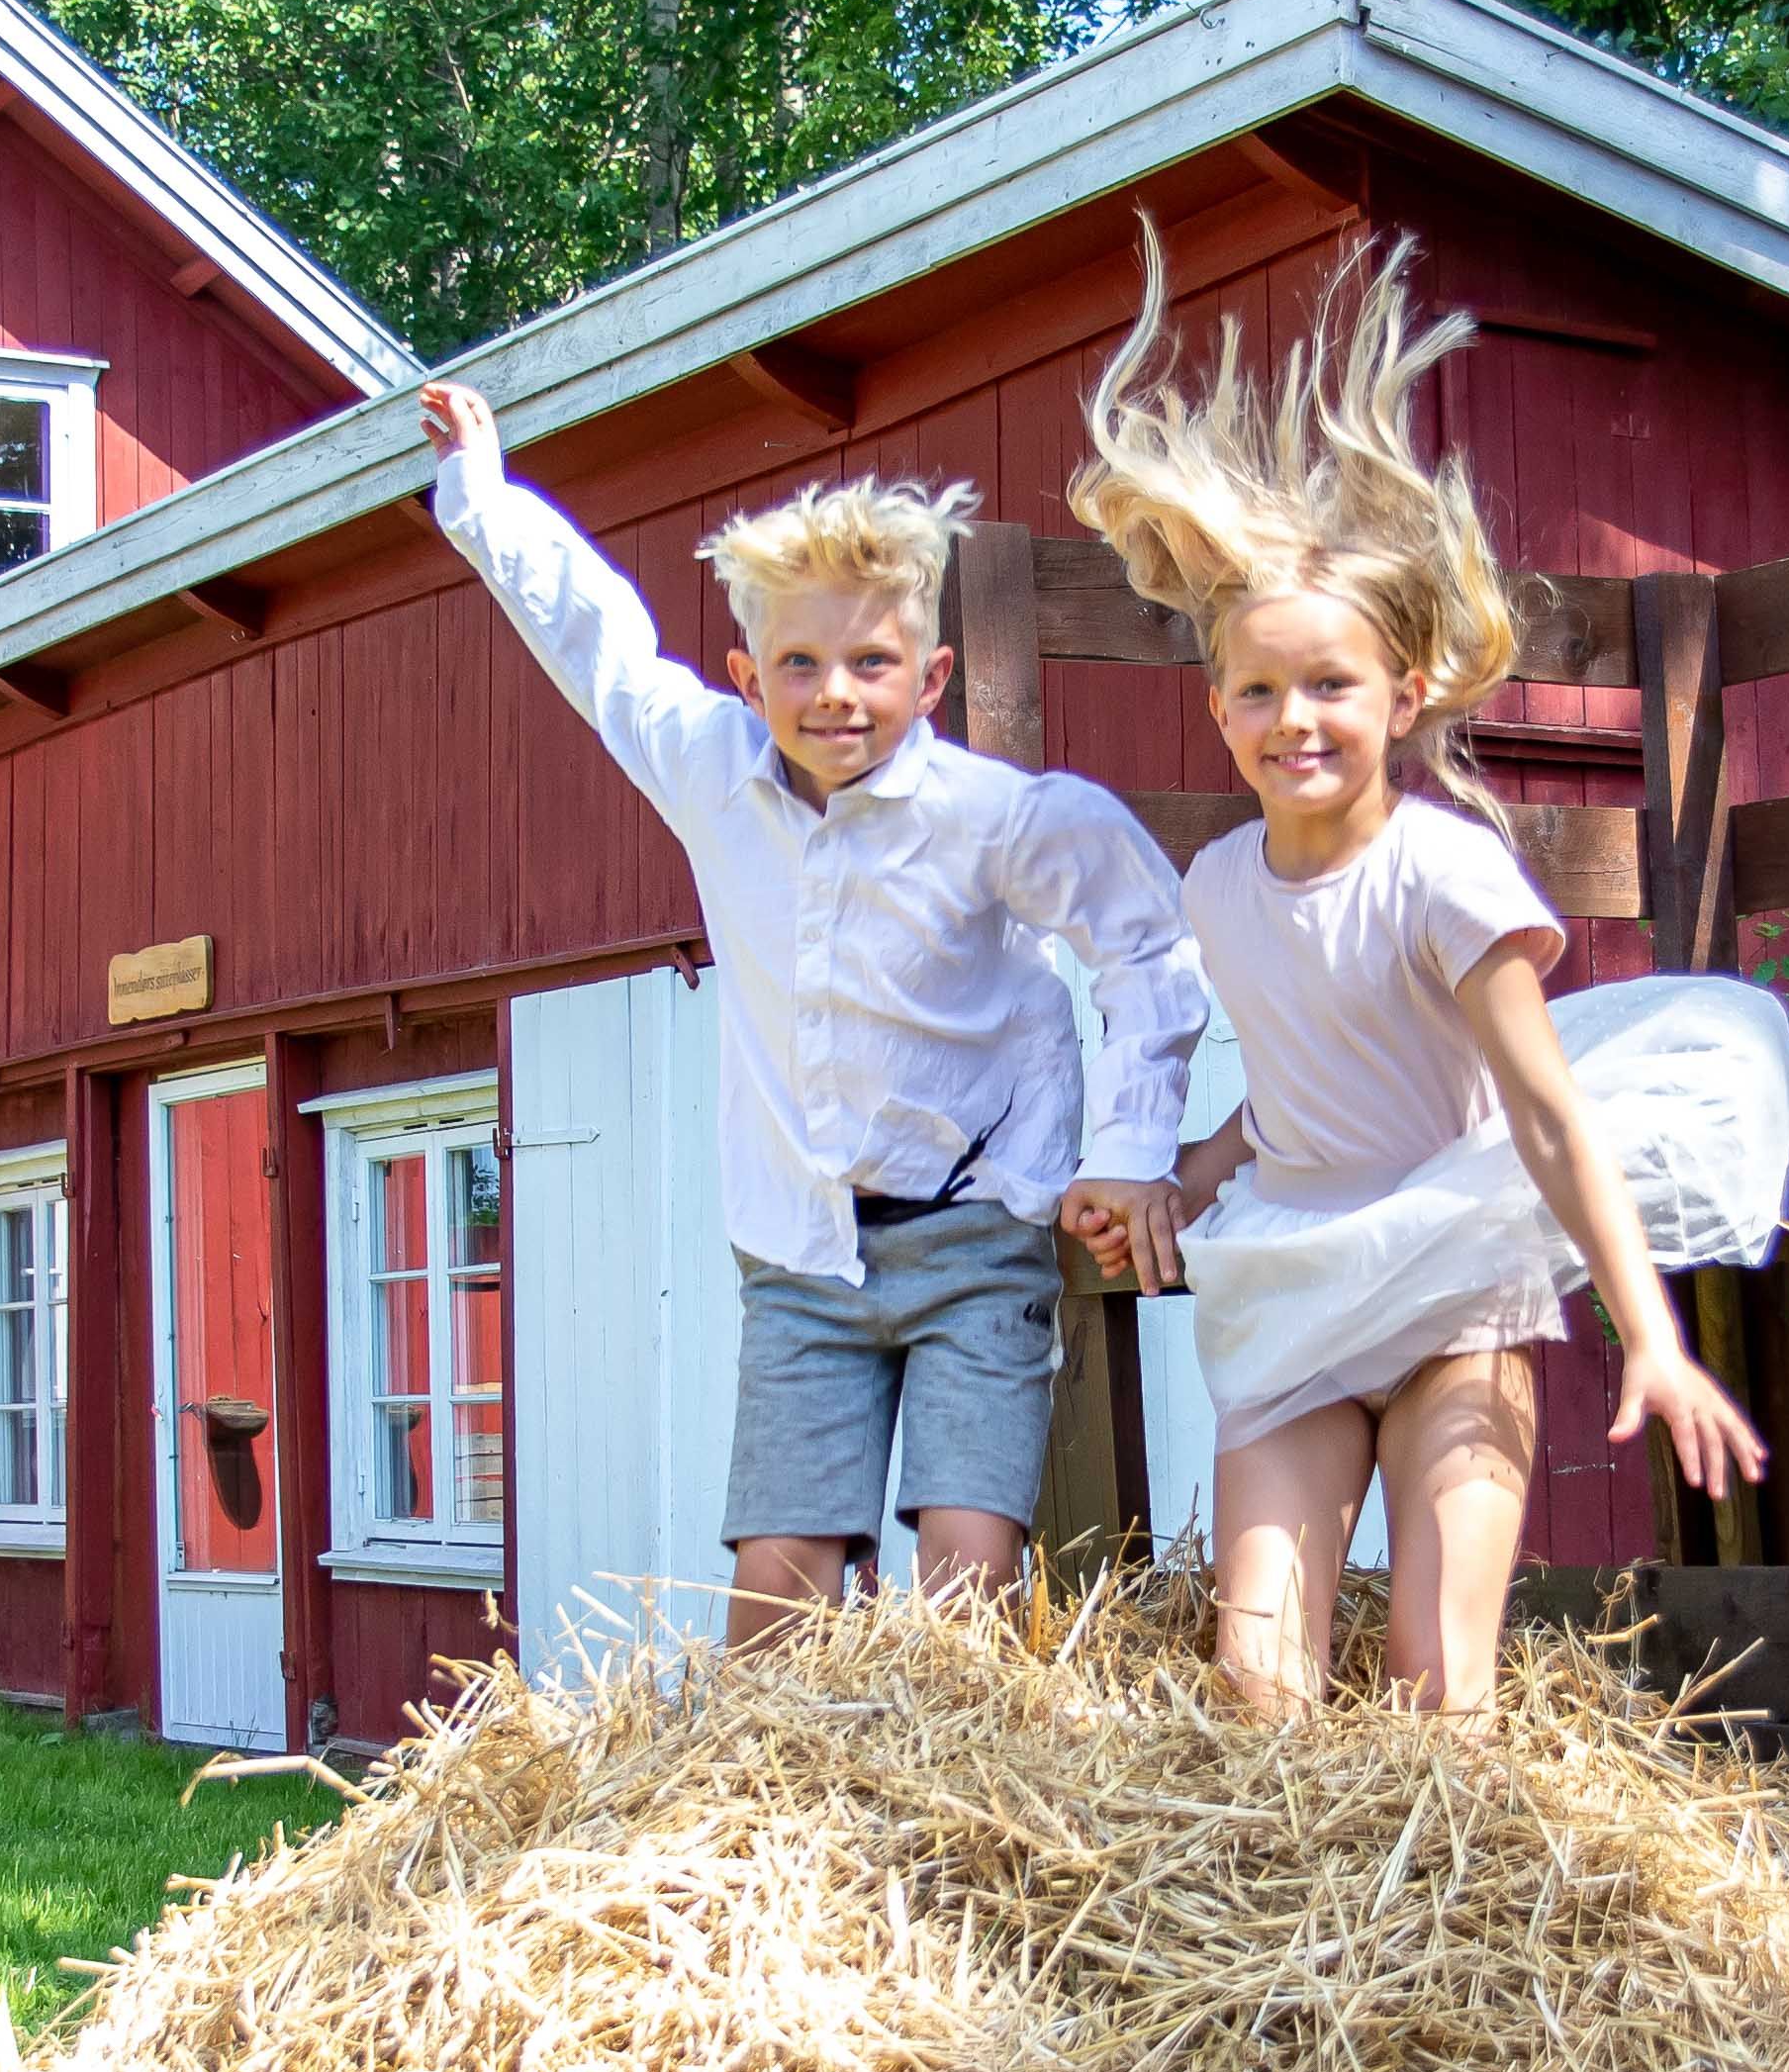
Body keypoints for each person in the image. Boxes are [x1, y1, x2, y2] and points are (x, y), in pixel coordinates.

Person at [1054, 244, 1785, 1717]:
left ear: (1405, 692)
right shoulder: (1218, 885)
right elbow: (1289, 1088)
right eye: (1257, 690)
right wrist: (1180, 1184)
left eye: (1331, 685)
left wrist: (1649, 1332)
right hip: (1295, 1288)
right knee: (1261, 1692)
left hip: (1455, 1289)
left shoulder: (1448, 877)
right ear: (1215, 706)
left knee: (1438, 1693)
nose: (1293, 718)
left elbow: (1551, 1117)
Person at [420, 377, 1208, 1633]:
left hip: (973, 1242)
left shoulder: (996, 820)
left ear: (932, 673)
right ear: (746, 674)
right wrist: (484, 496)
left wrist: (1124, 1151)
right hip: (799, 1254)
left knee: (968, 1573)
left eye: (871, 662)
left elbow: (1146, 947)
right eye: (800, 662)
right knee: (776, 1587)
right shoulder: (710, 772)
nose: (834, 691)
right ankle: (769, 1822)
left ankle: (954, 1821)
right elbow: (603, 648)